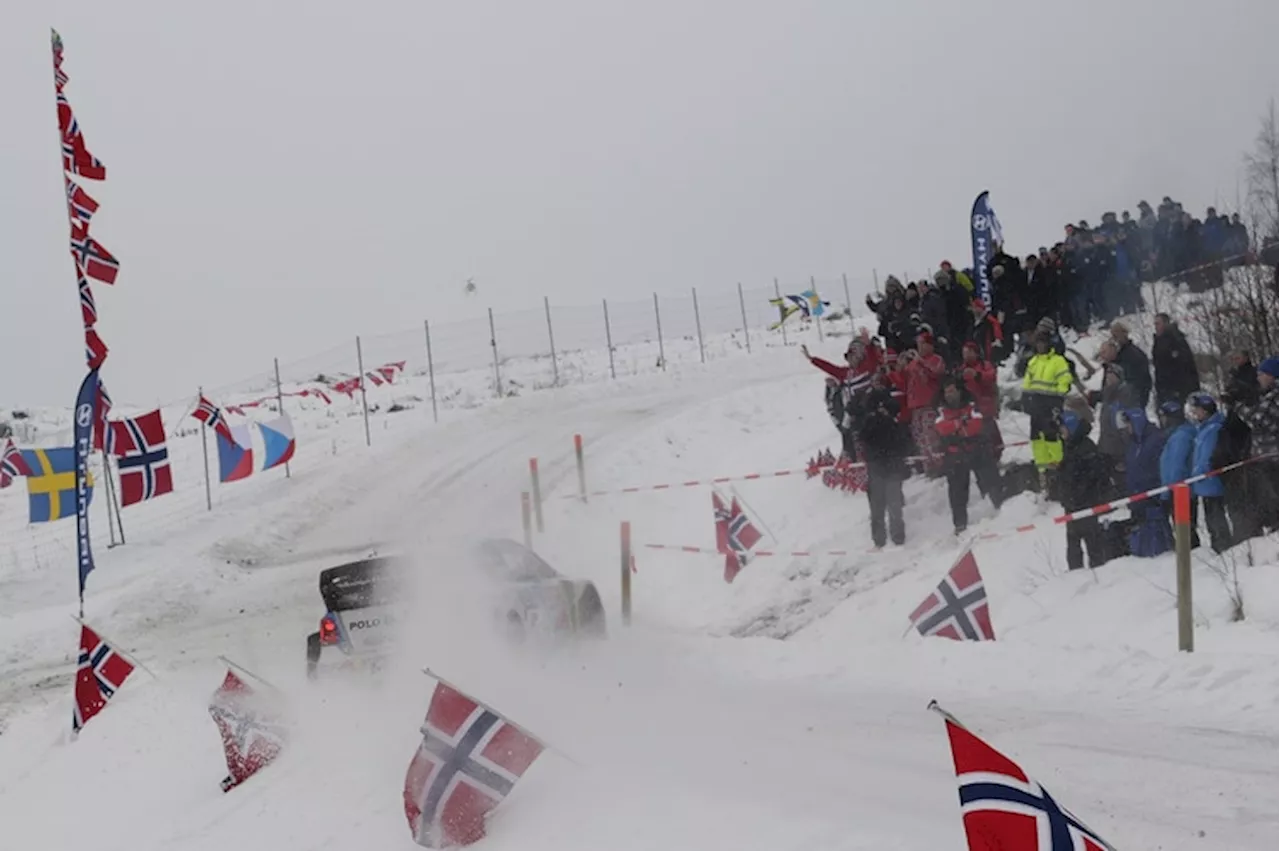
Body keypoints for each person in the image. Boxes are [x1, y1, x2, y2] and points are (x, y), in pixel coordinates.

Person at [933, 376, 1002, 534]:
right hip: (955, 455)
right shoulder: (940, 409)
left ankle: (1001, 511)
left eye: (952, 391)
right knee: (957, 492)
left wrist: (957, 428)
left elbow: (977, 425)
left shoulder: (972, 404)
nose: (949, 395)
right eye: (947, 392)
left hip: (978, 450)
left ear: (958, 391)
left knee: (991, 481)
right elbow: (941, 428)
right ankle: (960, 525)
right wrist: (960, 424)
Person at [849, 381, 909, 549]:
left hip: (890, 466)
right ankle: (879, 540)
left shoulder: (894, 423)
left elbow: (902, 442)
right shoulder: (868, 422)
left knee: (893, 506)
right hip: (877, 466)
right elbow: (863, 437)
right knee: (878, 507)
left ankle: (897, 538)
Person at [1019, 330, 1074, 495]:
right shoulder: (1033, 362)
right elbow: (1027, 384)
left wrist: (1057, 400)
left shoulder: (1058, 361)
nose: (1040, 345)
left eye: (1043, 342)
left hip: (1050, 408)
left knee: (1053, 441)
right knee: (1037, 441)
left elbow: (1065, 381)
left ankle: (1058, 475)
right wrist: (1026, 402)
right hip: (1036, 409)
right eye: (1038, 342)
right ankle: (1043, 476)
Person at [1056, 410, 1112, 570]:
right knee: (1073, 546)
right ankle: (1075, 577)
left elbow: (1094, 477)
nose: (1061, 432)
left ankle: (1099, 576)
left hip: (1086, 504)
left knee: (1093, 545)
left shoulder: (1086, 448)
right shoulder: (1069, 445)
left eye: (1064, 428)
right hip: (1071, 505)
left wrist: (1078, 496)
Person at [1119, 408, 1173, 557]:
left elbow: (1160, 466)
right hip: (1136, 494)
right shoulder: (1132, 443)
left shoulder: (1156, 440)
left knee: (1157, 531)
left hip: (1151, 495)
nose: (1127, 428)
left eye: (1129, 424)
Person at [1187, 393, 1234, 553]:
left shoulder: (1213, 429)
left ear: (1206, 411)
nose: (1195, 414)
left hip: (1212, 483)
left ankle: (1223, 549)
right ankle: (1217, 548)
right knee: (1210, 519)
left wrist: (1198, 473)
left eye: (1198, 410)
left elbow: (1207, 457)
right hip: (1204, 484)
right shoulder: (1203, 429)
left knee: (1216, 518)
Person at [1157, 399, 1200, 548]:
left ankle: (1190, 558)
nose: (1161, 420)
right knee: (1185, 528)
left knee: (1185, 529)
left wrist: (1167, 493)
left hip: (1180, 491)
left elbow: (1176, 466)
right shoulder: (1175, 435)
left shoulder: (1180, 436)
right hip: (1180, 489)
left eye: (1163, 416)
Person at [1151, 313, 1200, 406]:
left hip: (1176, 388)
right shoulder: (1158, 340)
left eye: (1158, 323)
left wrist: (1179, 389)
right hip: (1163, 387)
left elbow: (1184, 365)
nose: (1155, 327)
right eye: (1155, 324)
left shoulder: (1176, 339)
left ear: (1166, 323)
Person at [1111, 322, 1152, 409]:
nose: (1114, 339)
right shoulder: (1119, 355)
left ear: (1124, 334)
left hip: (1134, 398)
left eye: (1116, 335)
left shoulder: (1134, 354)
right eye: (1113, 335)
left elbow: (1141, 380)